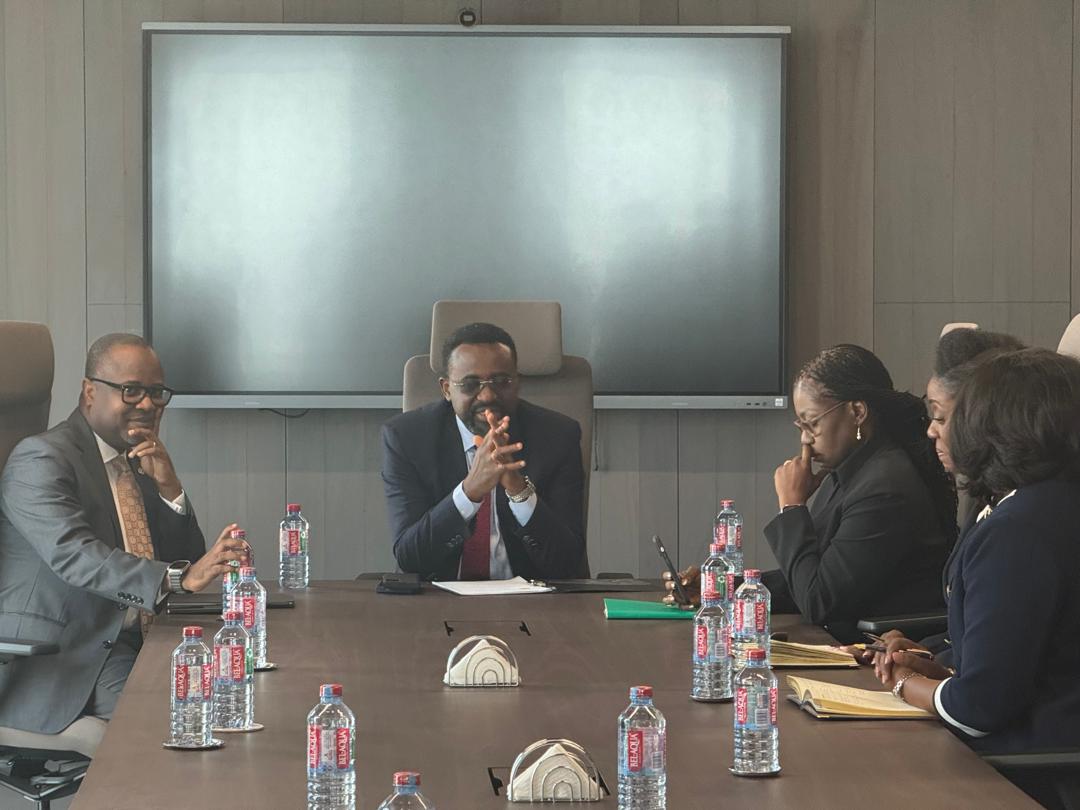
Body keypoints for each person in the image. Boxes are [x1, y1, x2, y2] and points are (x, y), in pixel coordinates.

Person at [0, 333, 248, 734]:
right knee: (182, 719)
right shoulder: (41, 458)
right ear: (89, 392)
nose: (147, 405)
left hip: (139, 640)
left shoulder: (132, 460)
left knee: (237, 687)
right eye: (130, 391)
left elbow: (187, 567)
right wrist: (176, 577)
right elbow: (77, 556)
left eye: (156, 392)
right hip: (69, 658)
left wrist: (170, 490)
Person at [872, 349, 1080, 797]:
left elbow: (978, 709)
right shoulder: (1050, 505)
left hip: (1032, 772)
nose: (940, 429)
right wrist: (940, 667)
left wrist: (905, 684)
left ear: (995, 425)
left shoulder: (1021, 528)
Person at [382, 322, 588, 580]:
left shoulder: (557, 436)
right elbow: (410, 558)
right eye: (470, 384)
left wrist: (519, 491)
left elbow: (567, 562)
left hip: (532, 603)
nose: (487, 395)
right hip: (437, 602)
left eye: (501, 381)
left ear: (517, 383)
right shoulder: (406, 438)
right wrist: (469, 492)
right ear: (447, 389)